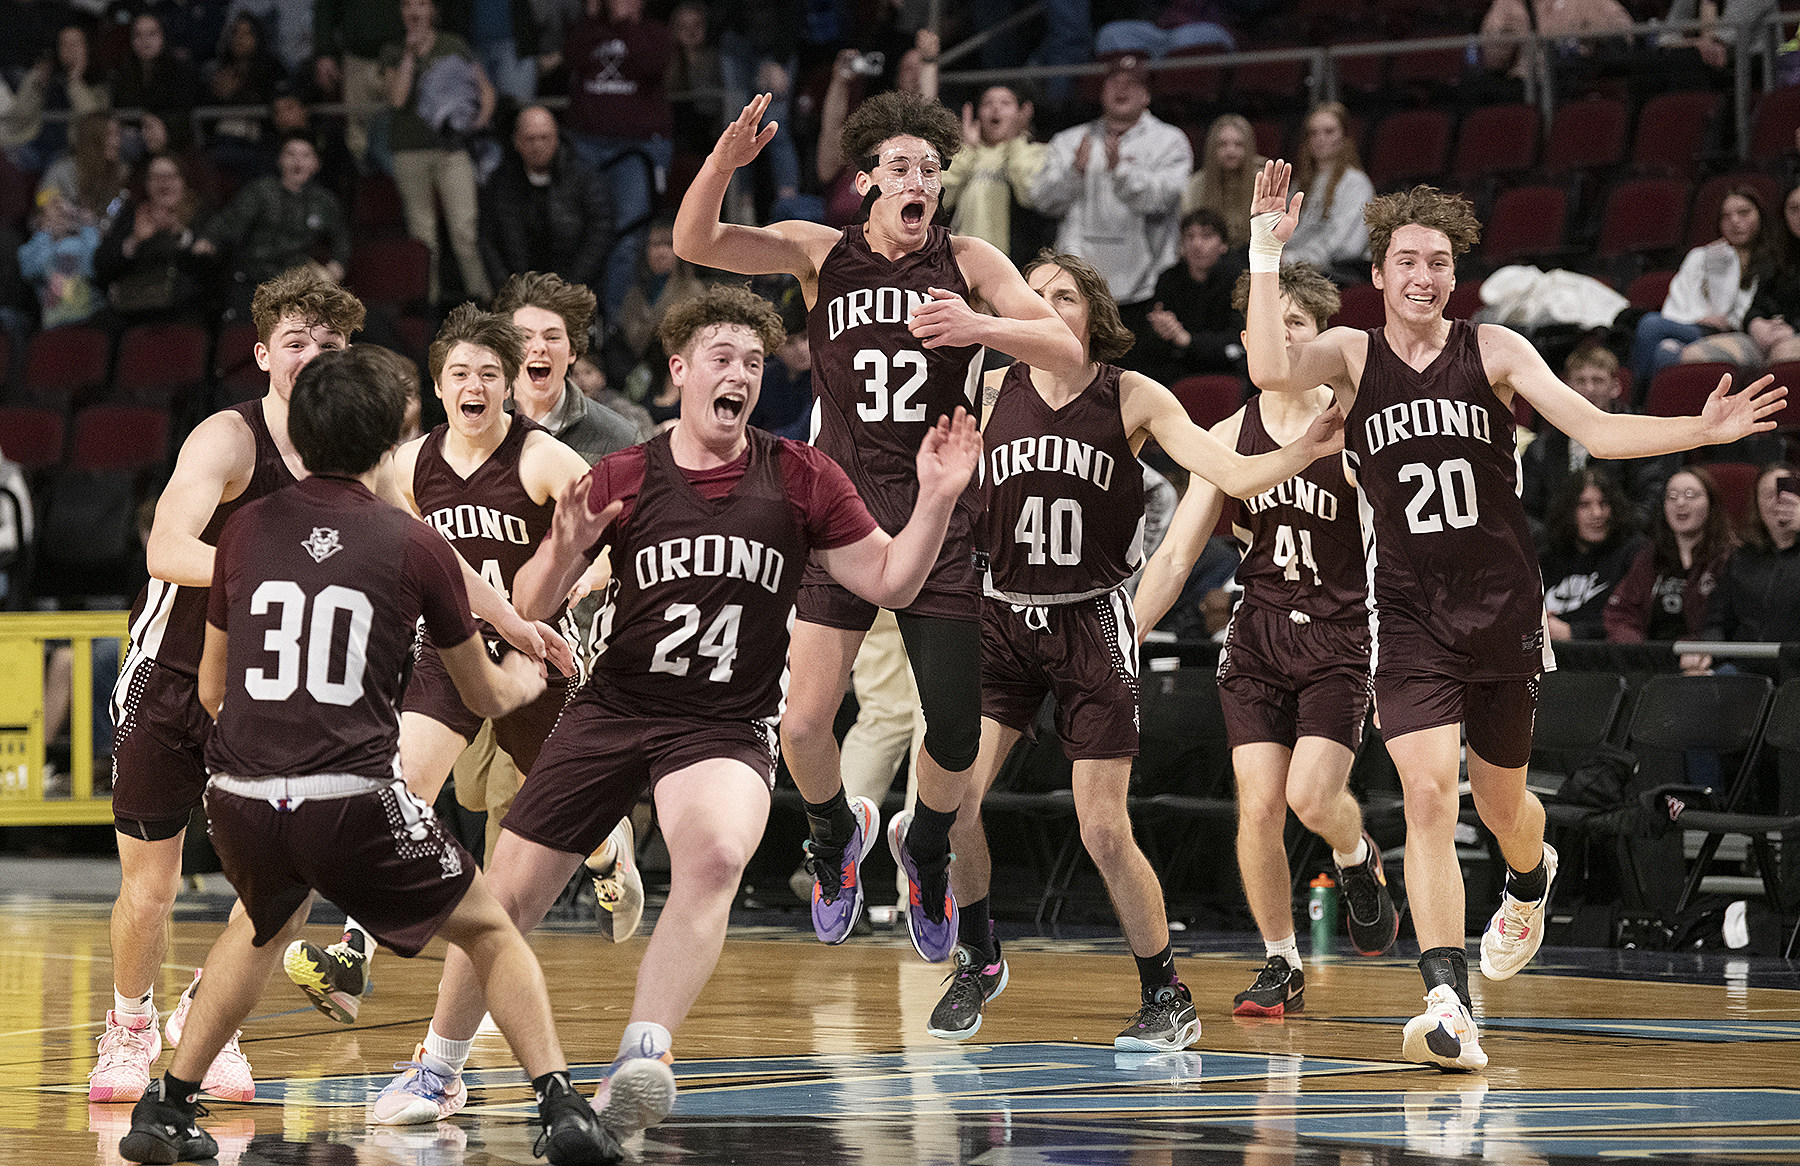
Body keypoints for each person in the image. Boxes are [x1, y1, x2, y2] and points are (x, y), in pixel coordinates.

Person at [369, 283, 982, 1133]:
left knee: (719, 853)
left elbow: (889, 580)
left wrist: (939, 495)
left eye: (755, 363)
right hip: (616, 706)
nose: (739, 375)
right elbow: (531, 598)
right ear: (681, 371)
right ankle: (437, 1068)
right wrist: (567, 546)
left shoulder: (800, 473)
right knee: (503, 897)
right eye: (723, 359)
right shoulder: (626, 473)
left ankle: (640, 1057)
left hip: (723, 723)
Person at [1245, 164, 1784, 1070]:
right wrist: (1267, 252)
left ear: (1456, 277)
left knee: (1503, 808)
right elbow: (1265, 364)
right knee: (1426, 795)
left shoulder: (1494, 352)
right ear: (1377, 275)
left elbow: (1598, 432)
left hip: (1500, 613)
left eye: (1440, 262)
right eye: (1406, 260)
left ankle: (1531, 880)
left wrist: (1701, 431)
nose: (1422, 276)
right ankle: (1449, 1000)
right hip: (1407, 616)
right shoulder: (1347, 353)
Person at [117, 344, 622, 1166]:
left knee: (263, 922)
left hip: (241, 791)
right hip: (344, 793)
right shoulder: (411, 542)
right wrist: (527, 675)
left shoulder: (241, 531)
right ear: (392, 443)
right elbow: (483, 698)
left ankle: (166, 1106)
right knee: (492, 929)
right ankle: (559, 1103)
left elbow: (213, 690)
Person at [673, 90, 1085, 962]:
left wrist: (981, 325)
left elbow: (1068, 350)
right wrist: (722, 165)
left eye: (932, 169)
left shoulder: (969, 259)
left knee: (956, 734)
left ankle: (924, 850)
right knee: (801, 727)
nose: (919, 181)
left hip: (938, 516)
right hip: (842, 516)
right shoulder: (822, 253)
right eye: (900, 166)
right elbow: (695, 243)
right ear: (866, 181)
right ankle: (834, 839)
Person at [935, 251, 1347, 1044]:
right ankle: (979, 956)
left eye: (1064, 296)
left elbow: (1226, 469)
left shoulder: (1133, 396)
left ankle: (1167, 994)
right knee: (957, 800)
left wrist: (1300, 453)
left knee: (1102, 829)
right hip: (1001, 617)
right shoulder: (987, 387)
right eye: (1035, 294)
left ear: (1093, 313)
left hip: (1090, 624)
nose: (1046, 306)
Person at [1135, 261, 1394, 1021]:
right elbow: (1178, 554)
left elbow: (1393, 554)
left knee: (1314, 798)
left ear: (1318, 340)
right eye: (1266, 324)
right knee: (1257, 806)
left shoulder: (1357, 426)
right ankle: (1282, 961)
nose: (1279, 337)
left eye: (1296, 325)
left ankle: (1355, 857)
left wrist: (1395, 653)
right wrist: (1130, 632)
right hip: (1258, 635)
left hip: (1342, 634)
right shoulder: (1226, 434)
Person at [1028, 55, 1191, 329]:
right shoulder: (1069, 141)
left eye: (1132, 84)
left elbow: (1164, 199)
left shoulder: (1170, 141)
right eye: (1113, 82)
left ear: (1147, 96)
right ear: (1102, 92)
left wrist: (1122, 173)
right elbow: (1041, 200)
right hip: (1079, 283)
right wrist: (1073, 174)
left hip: (1145, 285)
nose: (1121, 89)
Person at [561, 0, 671, 318]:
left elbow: (649, 64)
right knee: (579, 230)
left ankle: (613, 323)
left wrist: (625, 24)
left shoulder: (655, 32)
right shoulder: (588, 29)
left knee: (626, 238)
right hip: (587, 142)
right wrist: (594, 18)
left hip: (637, 148)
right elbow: (573, 57)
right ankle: (578, 317)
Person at [381, 0, 495, 304]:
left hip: (453, 150)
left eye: (421, 4)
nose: (414, 11)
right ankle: (427, 306)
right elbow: (397, 99)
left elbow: (485, 90)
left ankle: (484, 303)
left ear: (433, 10)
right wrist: (409, 53)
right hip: (409, 150)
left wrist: (476, 123)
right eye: (406, 5)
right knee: (423, 234)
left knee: (465, 229)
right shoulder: (392, 50)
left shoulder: (452, 44)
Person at [1519, 344, 1678, 529]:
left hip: (1622, 545)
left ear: (1615, 387)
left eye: (1598, 380)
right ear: (1566, 388)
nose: (1589, 389)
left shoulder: (1640, 438)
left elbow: (1650, 504)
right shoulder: (1542, 448)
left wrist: (1603, 534)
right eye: (1580, 381)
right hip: (1556, 549)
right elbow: (1526, 509)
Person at [1631, 187, 1773, 389]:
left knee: (1650, 325)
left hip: (1738, 333)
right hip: (1695, 326)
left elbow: (1752, 312)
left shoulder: (1772, 260)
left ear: (1760, 215)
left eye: (1743, 213)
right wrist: (1698, 316)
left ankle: (1635, 400)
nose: (1734, 221)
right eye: (1725, 216)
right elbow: (1678, 302)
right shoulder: (1702, 256)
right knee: (1665, 351)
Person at [494, 270, 639, 465]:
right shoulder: (477, 424)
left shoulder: (620, 439)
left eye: (552, 337)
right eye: (524, 337)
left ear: (572, 351)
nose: (539, 347)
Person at [199, 132, 351, 317]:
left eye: (305, 156)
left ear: (315, 164)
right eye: (291, 154)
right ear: (280, 160)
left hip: (297, 278)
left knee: (338, 308)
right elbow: (229, 221)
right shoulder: (260, 191)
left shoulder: (324, 200)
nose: (298, 161)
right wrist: (209, 239)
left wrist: (338, 263)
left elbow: (341, 235)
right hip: (256, 275)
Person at [1605, 466, 1735, 664]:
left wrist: (1699, 651)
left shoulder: (1729, 558)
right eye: (1671, 496)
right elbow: (1620, 611)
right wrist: (1635, 649)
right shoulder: (1649, 556)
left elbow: (1725, 624)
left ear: (1711, 503)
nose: (1680, 503)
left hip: (1700, 661)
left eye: (1690, 495)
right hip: (1650, 661)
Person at [478, 106, 614, 293]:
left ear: (556, 139)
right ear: (517, 142)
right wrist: (510, 290)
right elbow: (487, 239)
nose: (538, 146)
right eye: (530, 139)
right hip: (518, 291)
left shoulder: (584, 177)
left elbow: (600, 233)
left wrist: (570, 289)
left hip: (573, 289)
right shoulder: (501, 182)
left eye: (544, 138)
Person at [93, 152, 212, 325]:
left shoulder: (200, 215)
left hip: (183, 313)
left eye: (170, 177)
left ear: (183, 182)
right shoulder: (133, 215)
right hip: (133, 312)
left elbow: (210, 266)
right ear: (147, 184)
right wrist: (134, 241)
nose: (163, 184)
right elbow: (102, 263)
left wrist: (178, 234)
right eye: (156, 178)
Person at [1132, 207, 1247, 386]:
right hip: (1178, 366)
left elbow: (1238, 338)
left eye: (1206, 236)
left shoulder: (1238, 280)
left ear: (1223, 245)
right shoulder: (1169, 278)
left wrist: (1187, 340)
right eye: (1190, 237)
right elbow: (1152, 333)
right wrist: (1162, 329)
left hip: (1225, 366)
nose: (1196, 244)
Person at [940, 84, 1047, 259]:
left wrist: (1016, 141)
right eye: (987, 103)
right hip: (961, 260)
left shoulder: (1036, 152)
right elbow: (940, 199)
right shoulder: (962, 153)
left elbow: (1029, 194)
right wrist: (966, 150)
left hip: (1014, 263)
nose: (995, 109)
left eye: (1005, 103)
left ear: (1022, 112)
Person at [1540, 467, 1644, 642]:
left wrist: (1573, 632)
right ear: (1568, 511)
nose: (1597, 514)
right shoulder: (1548, 557)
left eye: (1604, 504)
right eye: (1584, 505)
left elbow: (1629, 619)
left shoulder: (1633, 553)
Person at [1704, 462, 1800, 642]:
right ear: (1757, 504)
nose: (1777, 502)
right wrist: (1705, 651)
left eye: (1785, 492)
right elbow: (1718, 621)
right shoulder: (1741, 557)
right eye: (1768, 495)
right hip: (1746, 662)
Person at [0, 23, 109, 175]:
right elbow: (19, 118)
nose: (70, 50)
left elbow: (91, 122)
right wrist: (36, 85)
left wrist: (75, 81)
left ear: (88, 48)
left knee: (57, 166)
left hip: (70, 151)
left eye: (75, 44)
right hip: (33, 145)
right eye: (64, 44)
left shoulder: (98, 85)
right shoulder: (45, 78)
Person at [1282, 103, 1372, 283]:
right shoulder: (1300, 184)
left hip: (1337, 275)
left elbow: (1346, 247)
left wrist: (1291, 259)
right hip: (1295, 267)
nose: (1320, 139)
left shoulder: (1355, 183)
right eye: (1313, 133)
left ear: (1344, 137)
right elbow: (1286, 232)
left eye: (1329, 131)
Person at [312, 0, 405, 164]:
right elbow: (325, 7)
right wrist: (324, 52)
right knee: (359, 140)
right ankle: (368, 184)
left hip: (401, 58)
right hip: (357, 58)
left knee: (404, 127)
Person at [112, 13, 202, 153]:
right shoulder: (123, 74)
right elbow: (120, 110)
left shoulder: (180, 70)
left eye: (152, 34)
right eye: (138, 35)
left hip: (173, 139)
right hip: (135, 138)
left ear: (163, 36)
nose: (145, 40)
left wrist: (161, 125)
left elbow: (185, 112)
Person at [19, 188, 103, 328]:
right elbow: (30, 270)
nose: (61, 220)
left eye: (65, 215)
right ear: (41, 220)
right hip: (54, 321)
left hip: (89, 319)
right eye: (56, 214)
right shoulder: (36, 245)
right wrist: (47, 234)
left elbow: (94, 267)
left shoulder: (82, 243)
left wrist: (87, 228)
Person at [1179, 114, 1265, 249]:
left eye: (1238, 145)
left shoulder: (1263, 179)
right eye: (1222, 145)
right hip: (1210, 257)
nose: (1230, 151)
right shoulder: (1196, 185)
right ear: (1212, 148)